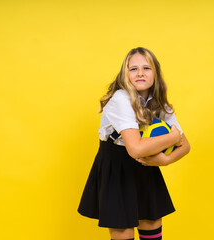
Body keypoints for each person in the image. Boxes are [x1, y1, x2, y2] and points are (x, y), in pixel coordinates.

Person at [78, 47, 190, 240]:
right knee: (123, 232)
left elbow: (186, 146)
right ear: (125, 74)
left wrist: (165, 161)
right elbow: (135, 148)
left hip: (146, 164)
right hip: (116, 165)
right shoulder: (121, 99)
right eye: (133, 69)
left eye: (146, 68)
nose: (140, 73)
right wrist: (172, 138)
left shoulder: (158, 101)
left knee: (152, 225)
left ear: (155, 73)